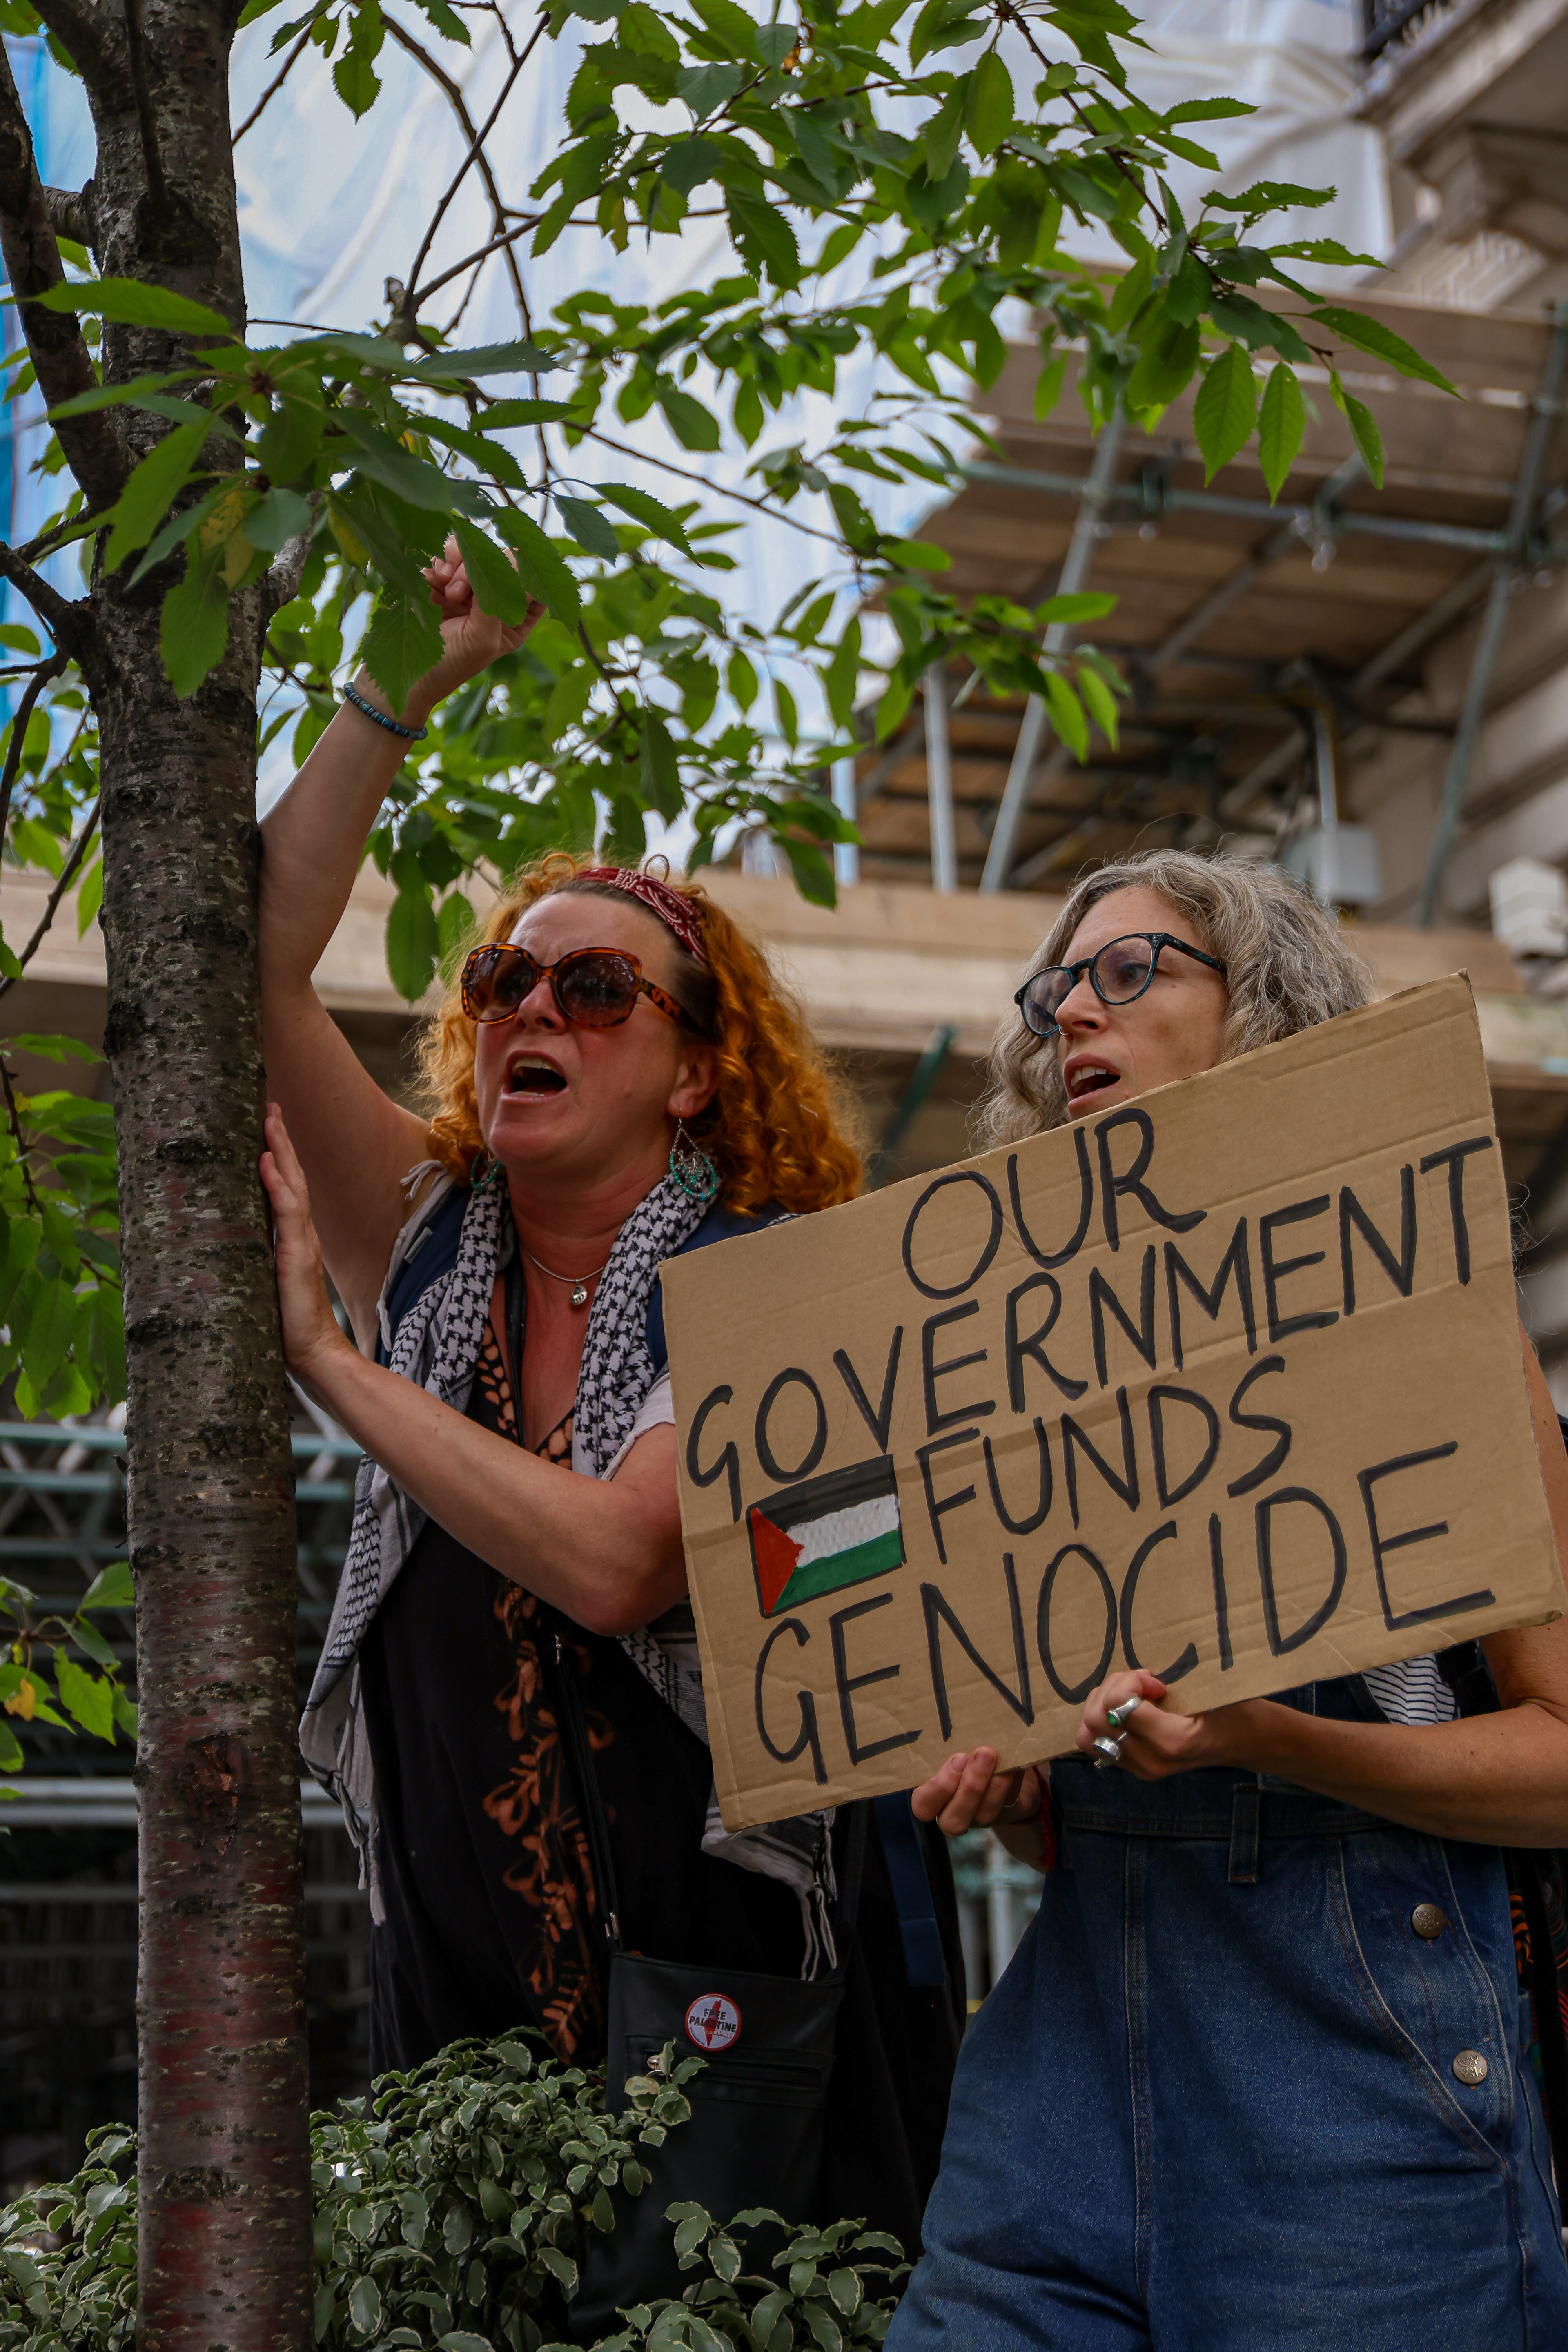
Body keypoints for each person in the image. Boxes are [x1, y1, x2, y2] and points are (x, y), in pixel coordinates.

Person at [257, 546, 965, 2245]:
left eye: (592, 987)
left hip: (750, 2003)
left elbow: (620, 1562)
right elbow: (251, 963)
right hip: (470, 1978)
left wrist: (332, 1372)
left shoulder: (779, 1274)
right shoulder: (426, 1243)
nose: (529, 1006)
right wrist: (400, 684)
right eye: (504, 979)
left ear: (700, 1069)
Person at [891, 849, 1568, 2351]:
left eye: (1130, 972)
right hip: (1057, 2074)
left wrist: (1275, 1738)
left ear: (1265, 1013)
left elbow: (1560, 1763)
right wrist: (1008, 1782)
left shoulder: (1430, 1308)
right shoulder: (1024, 1380)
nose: (1075, 1014)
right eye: (1054, 991)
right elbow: (1083, 1784)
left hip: (1351, 2075)